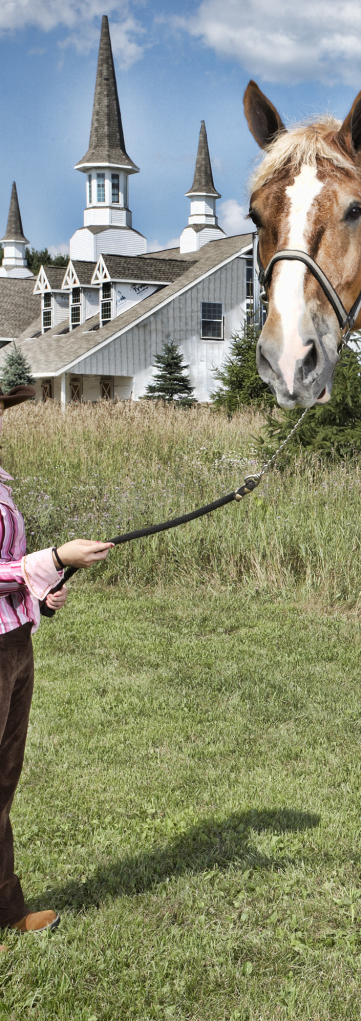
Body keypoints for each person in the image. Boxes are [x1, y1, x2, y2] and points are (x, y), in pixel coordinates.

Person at [0, 385, 113, 947]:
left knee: (3, 782)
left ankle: (5, 907)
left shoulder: (1, 482)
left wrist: (38, 595)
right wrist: (52, 559)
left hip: (14, 644)